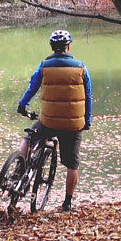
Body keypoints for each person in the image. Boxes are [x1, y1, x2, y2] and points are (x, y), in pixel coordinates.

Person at [17, 30, 92, 212]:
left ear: (52, 47)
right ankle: (67, 203)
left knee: (28, 139)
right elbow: (88, 96)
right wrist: (87, 120)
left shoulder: (44, 66)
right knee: (72, 164)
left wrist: (22, 105)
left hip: (48, 122)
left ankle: (18, 172)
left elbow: (32, 88)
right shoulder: (81, 67)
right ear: (69, 47)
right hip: (73, 125)